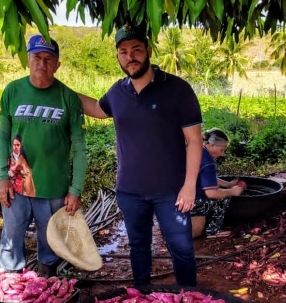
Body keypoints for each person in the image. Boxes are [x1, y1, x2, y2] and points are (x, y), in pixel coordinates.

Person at [76, 24, 203, 287]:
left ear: (148, 50)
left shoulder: (177, 89)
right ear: (118, 57)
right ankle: (142, 300)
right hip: (130, 190)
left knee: (181, 248)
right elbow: (97, 109)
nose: (129, 57)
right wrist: (58, 89)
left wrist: (189, 186)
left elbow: (194, 140)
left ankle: (190, 301)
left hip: (172, 191)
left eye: (135, 50)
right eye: (123, 52)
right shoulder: (117, 92)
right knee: (138, 248)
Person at [0, 34, 87, 278]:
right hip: (16, 184)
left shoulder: (68, 98)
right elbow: (3, 136)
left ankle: (46, 286)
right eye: (37, 57)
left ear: (57, 65)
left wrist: (75, 189)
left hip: (54, 188)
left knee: (50, 244)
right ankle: (9, 286)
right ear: (28, 59)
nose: (42, 64)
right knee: (11, 237)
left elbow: (79, 146)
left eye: (49, 59)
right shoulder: (13, 91)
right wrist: (2, 177)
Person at [191, 128, 244, 236]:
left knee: (223, 191)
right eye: (222, 149)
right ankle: (213, 231)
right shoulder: (208, 163)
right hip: (192, 204)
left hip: (177, 198)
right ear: (212, 145)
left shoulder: (197, 151)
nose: (222, 154)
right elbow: (211, 193)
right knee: (223, 198)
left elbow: (206, 178)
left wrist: (227, 184)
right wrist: (232, 191)